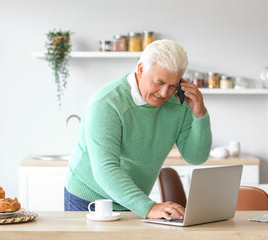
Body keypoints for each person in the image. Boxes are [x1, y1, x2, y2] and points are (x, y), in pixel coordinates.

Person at [65, 39, 212, 220]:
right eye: (159, 82)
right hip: (89, 199)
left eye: (173, 85)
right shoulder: (107, 103)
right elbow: (105, 169)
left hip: (133, 201)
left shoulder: (179, 103)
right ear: (141, 70)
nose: (165, 93)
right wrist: (148, 207)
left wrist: (199, 114)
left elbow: (195, 157)